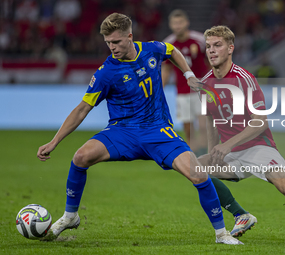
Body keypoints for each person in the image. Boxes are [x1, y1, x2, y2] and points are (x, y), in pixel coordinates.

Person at [36, 13, 242, 245]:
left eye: (116, 42)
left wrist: (189, 75)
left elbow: (172, 50)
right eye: (108, 43)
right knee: (80, 157)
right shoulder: (106, 72)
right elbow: (83, 108)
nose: (112, 47)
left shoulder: (151, 49)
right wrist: (54, 142)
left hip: (158, 130)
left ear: (130, 36)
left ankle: (221, 234)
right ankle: (70, 216)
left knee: (198, 174)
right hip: (122, 131)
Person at [196, 25, 285, 243]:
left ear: (231, 48)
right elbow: (211, 121)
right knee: (197, 168)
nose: (212, 51)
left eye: (218, 45)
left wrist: (226, 145)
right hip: (232, 153)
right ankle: (241, 215)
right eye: (208, 46)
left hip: (258, 148)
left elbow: (260, 122)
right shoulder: (205, 84)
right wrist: (212, 151)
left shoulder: (245, 79)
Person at [162, 9, 208, 153]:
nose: (177, 26)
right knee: (188, 128)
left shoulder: (200, 40)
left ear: (186, 23)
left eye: (180, 22)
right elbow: (166, 70)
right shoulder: (168, 45)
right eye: (175, 23)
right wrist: (159, 90)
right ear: (170, 25)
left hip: (202, 89)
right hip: (182, 91)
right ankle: (193, 155)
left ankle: (206, 153)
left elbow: (211, 61)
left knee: (203, 125)